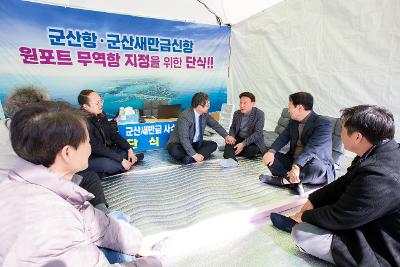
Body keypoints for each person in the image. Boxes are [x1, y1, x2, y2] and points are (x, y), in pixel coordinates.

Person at [0, 104, 161, 266]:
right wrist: (157, 262)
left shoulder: (41, 184)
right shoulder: (51, 221)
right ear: (67, 153)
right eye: (87, 141)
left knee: (117, 224)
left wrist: (138, 244)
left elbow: (95, 222)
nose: (90, 147)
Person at [272, 105, 400, 266]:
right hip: (369, 216)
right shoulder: (378, 153)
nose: (340, 133)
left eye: (343, 128)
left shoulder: (380, 176)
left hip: (384, 247)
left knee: (301, 233)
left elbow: (341, 216)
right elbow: (344, 182)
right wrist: (313, 201)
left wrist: (304, 216)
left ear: (358, 137)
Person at [0, 87, 111, 213]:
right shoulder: (36, 137)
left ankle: (102, 212)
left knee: (90, 177)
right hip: (29, 193)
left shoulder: (14, 128)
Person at [259, 92, 335, 194]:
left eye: (290, 107)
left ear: (299, 107)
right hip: (293, 161)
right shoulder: (293, 121)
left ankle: (284, 180)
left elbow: (312, 149)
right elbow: (283, 138)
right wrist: (271, 152)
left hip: (313, 164)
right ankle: (292, 181)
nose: (288, 110)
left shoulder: (323, 124)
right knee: (267, 155)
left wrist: (296, 166)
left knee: (315, 168)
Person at [78, 89, 144, 176]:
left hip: (104, 152)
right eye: (97, 103)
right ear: (85, 107)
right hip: (90, 157)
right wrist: (121, 159)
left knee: (125, 151)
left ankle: (125, 163)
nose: (101, 104)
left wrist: (129, 149)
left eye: (100, 101)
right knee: (107, 164)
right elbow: (96, 147)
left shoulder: (101, 115)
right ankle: (126, 163)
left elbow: (113, 134)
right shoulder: (82, 122)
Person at [167, 92, 229, 164]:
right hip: (180, 144)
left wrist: (226, 136)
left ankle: (189, 158)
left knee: (213, 144)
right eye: (207, 106)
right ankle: (193, 156)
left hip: (195, 144)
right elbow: (184, 139)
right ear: (199, 105)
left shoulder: (205, 114)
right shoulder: (185, 116)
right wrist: (195, 155)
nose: (209, 107)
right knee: (174, 150)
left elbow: (215, 125)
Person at [220, 92, 266, 167]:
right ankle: (232, 160)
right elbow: (233, 128)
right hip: (240, 138)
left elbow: (258, 133)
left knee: (252, 151)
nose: (242, 105)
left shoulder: (259, 114)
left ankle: (232, 151)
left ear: (252, 103)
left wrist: (243, 144)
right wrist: (231, 136)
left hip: (252, 141)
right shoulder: (237, 113)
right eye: (240, 103)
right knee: (229, 142)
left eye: (245, 103)